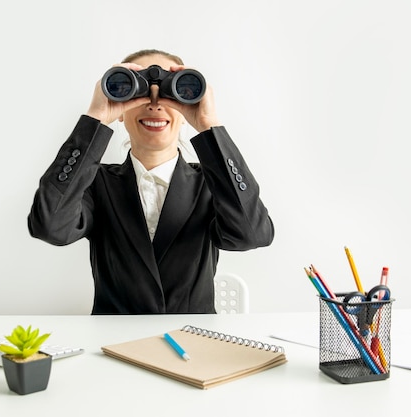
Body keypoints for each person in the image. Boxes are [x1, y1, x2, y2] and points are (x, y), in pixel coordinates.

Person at [28, 49, 274, 314]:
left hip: (194, 341)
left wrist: (208, 124)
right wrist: (95, 117)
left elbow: (252, 235)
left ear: (185, 110)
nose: (155, 104)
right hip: (113, 344)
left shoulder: (211, 183)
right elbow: (50, 226)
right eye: (139, 93)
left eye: (169, 94)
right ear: (121, 110)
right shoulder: (96, 183)